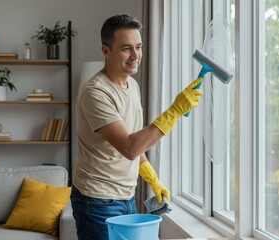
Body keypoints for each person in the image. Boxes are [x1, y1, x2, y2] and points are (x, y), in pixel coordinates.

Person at [71, 14, 203, 240]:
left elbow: (135, 141)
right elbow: (129, 147)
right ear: (106, 51)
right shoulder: (96, 93)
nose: (135, 56)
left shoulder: (132, 84)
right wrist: (175, 111)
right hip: (97, 201)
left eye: (139, 47)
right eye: (126, 49)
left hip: (126, 197)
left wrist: (152, 178)